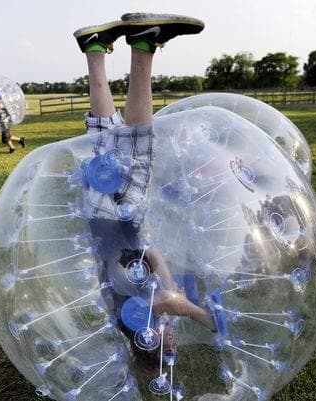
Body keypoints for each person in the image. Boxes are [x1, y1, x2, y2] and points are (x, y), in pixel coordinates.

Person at [73, 13, 215, 356]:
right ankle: (94, 49)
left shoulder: (144, 307)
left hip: (121, 213)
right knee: (106, 137)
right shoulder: (126, 305)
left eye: (169, 346)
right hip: (97, 213)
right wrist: (169, 288)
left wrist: (181, 303)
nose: (174, 341)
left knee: (136, 146)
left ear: (148, 341)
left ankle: (143, 42)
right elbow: (147, 251)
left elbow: (207, 319)